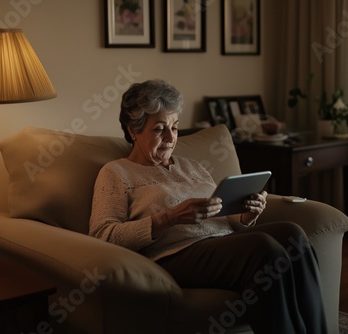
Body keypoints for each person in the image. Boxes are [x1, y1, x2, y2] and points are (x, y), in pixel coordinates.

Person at [89, 79, 327, 334]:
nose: (171, 138)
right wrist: (168, 218)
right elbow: (102, 236)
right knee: (264, 248)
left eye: (175, 128)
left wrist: (246, 215)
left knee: (293, 236)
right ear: (133, 130)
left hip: (221, 243)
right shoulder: (116, 172)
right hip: (173, 255)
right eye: (159, 129)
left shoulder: (192, 167)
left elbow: (225, 218)